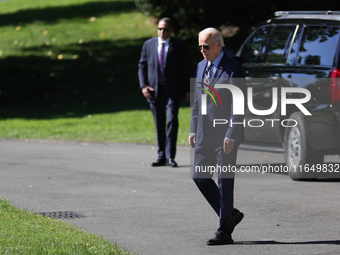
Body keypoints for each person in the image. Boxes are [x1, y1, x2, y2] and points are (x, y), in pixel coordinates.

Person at [188, 27, 246, 245]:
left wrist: (232, 134)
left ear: (219, 44)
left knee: (224, 182)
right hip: (204, 134)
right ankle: (230, 215)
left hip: (225, 138)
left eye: (206, 46)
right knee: (200, 177)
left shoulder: (234, 69)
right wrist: (193, 129)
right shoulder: (201, 66)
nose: (202, 50)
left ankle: (225, 232)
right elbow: (197, 102)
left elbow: (238, 107)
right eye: (200, 46)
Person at [138, 17, 191, 167]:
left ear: (171, 30)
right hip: (155, 90)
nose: (162, 32)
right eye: (160, 29)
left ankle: (170, 157)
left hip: (173, 91)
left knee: (172, 122)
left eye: (165, 29)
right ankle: (161, 156)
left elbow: (187, 68)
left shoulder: (179, 45)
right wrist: (144, 86)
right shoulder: (149, 44)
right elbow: (142, 66)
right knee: (159, 123)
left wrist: (188, 89)